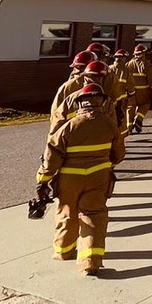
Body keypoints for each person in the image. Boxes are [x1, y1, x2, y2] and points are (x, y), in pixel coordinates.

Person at [37, 82, 125, 275]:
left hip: (70, 178)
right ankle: (90, 261)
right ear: (101, 102)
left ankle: (64, 251)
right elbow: (118, 154)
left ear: (80, 103)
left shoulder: (70, 126)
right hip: (99, 177)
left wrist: (43, 178)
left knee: (67, 213)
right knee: (94, 215)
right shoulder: (110, 124)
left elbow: (52, 154)